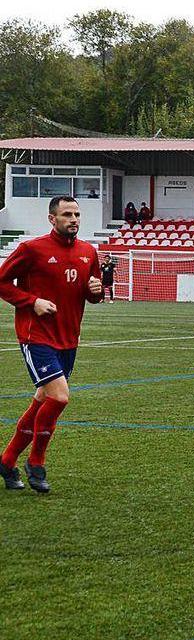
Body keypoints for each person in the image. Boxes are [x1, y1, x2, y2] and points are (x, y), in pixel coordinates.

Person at [0, 196, 104, 493]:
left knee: (42, 401)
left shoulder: (88, 252)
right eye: (67, 214)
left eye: (77, 214)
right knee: (59, 398)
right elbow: (2, 281)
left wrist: (96, 291)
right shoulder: (32, 250)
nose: (74, 219)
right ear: (52, 219)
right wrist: (32, 301)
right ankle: (37, 462)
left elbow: (91, 294)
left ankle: (7, 461)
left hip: (69, 338)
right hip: (36, 337)